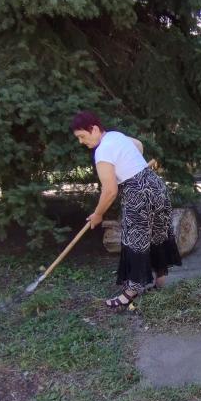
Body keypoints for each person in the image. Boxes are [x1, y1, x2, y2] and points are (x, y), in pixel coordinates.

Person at [71, 111, 181, 309]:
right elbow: (138, 145)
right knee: (158, 234)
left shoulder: (102, 151)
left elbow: (110, 191)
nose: (81, 141)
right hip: (156, 187)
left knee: (134, 241)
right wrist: (131, 164)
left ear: (94, 129)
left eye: (82, 136)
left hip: (137, 194)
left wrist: (98, 214)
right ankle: (160, 280)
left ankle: (130, 292)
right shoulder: (115, 136)